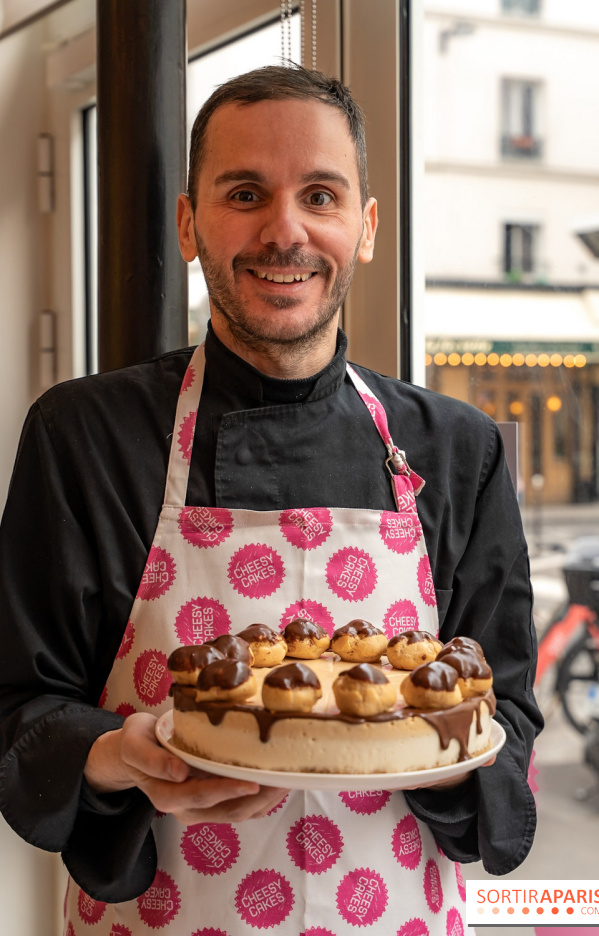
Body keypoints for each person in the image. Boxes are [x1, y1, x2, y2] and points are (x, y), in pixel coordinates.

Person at [0, 65, 542, 935]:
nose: (283, 230)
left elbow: (505, 710)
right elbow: (18, 706)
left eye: (320, 195)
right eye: (245, 192)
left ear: (365, 228)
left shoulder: (459, 449)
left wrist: (418, 748)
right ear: (189, 223)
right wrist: (121, 758)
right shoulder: (85, 436)